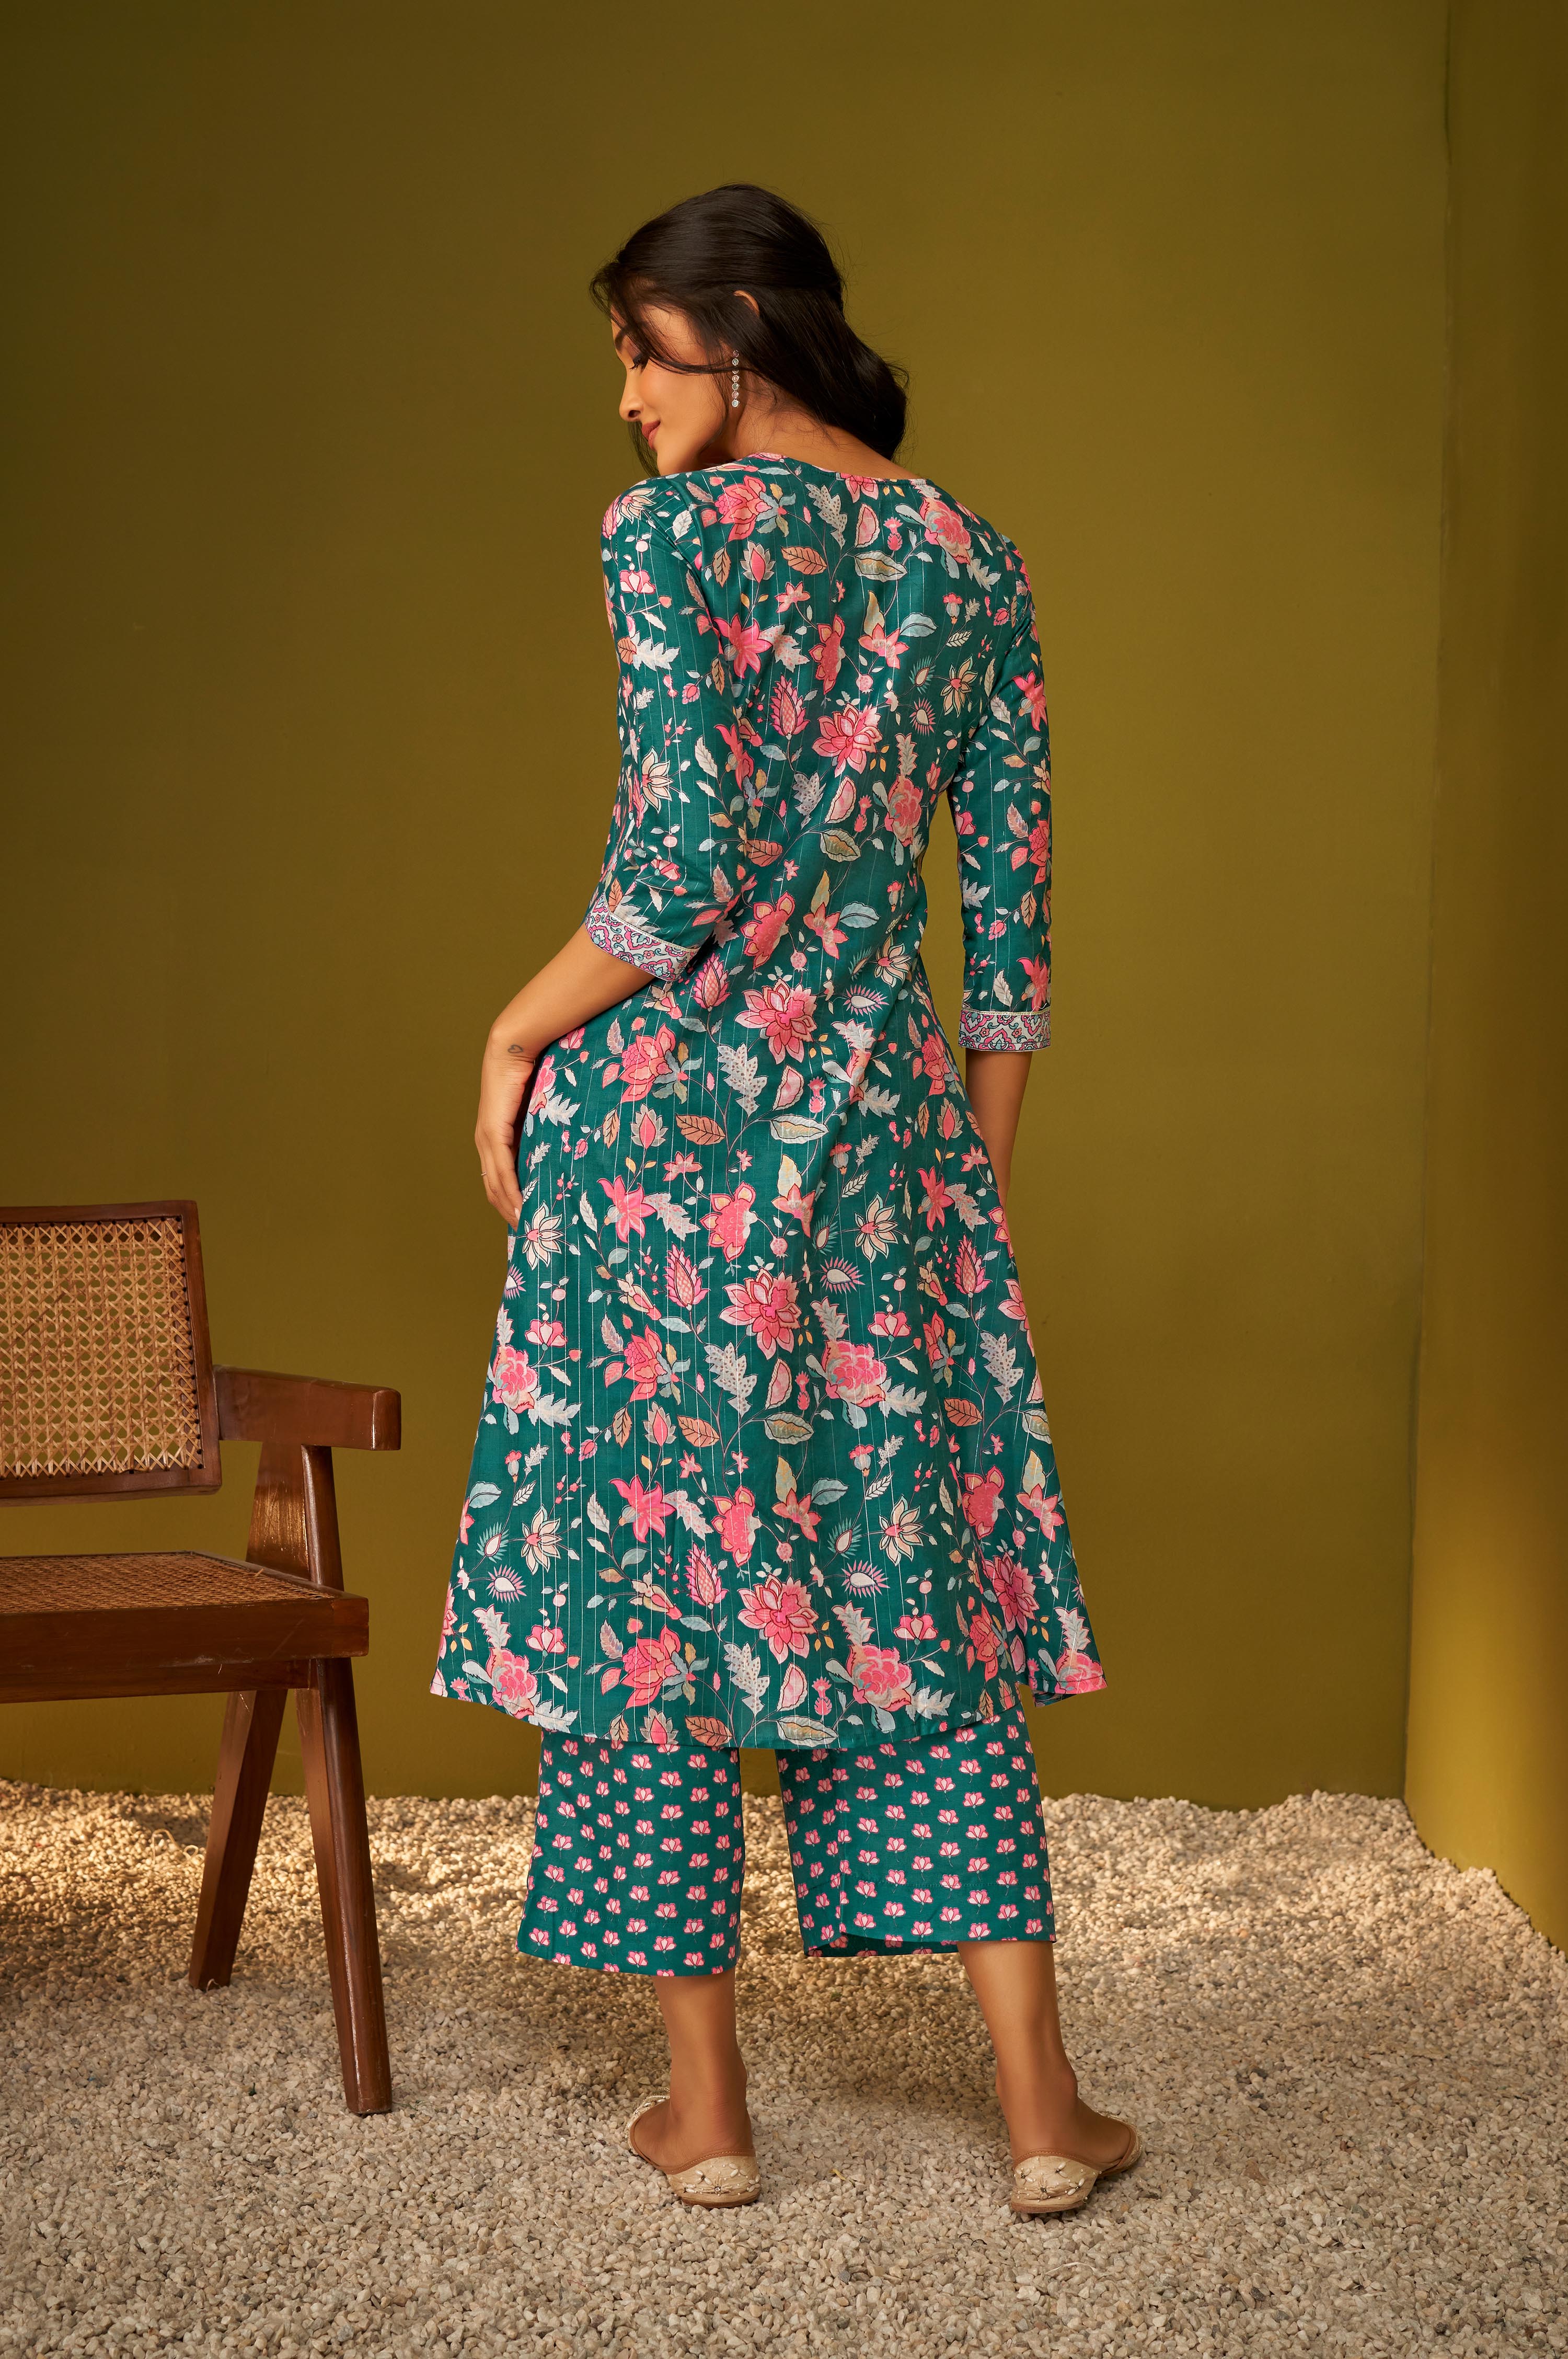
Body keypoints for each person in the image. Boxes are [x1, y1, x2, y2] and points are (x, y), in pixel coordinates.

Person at [432, 182, 1138, 2216]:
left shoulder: (665, 539)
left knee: (661, 1585)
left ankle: (712, 2116)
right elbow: (1010, 916)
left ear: (735, 331)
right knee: (915, 1574)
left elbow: (679, 864)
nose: (624, 400)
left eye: (637, 353)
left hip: (667, 1141)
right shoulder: (971, 557)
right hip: (879, 1134)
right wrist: (967, 1169)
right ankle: (1040, 2110)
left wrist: (512, 1032)